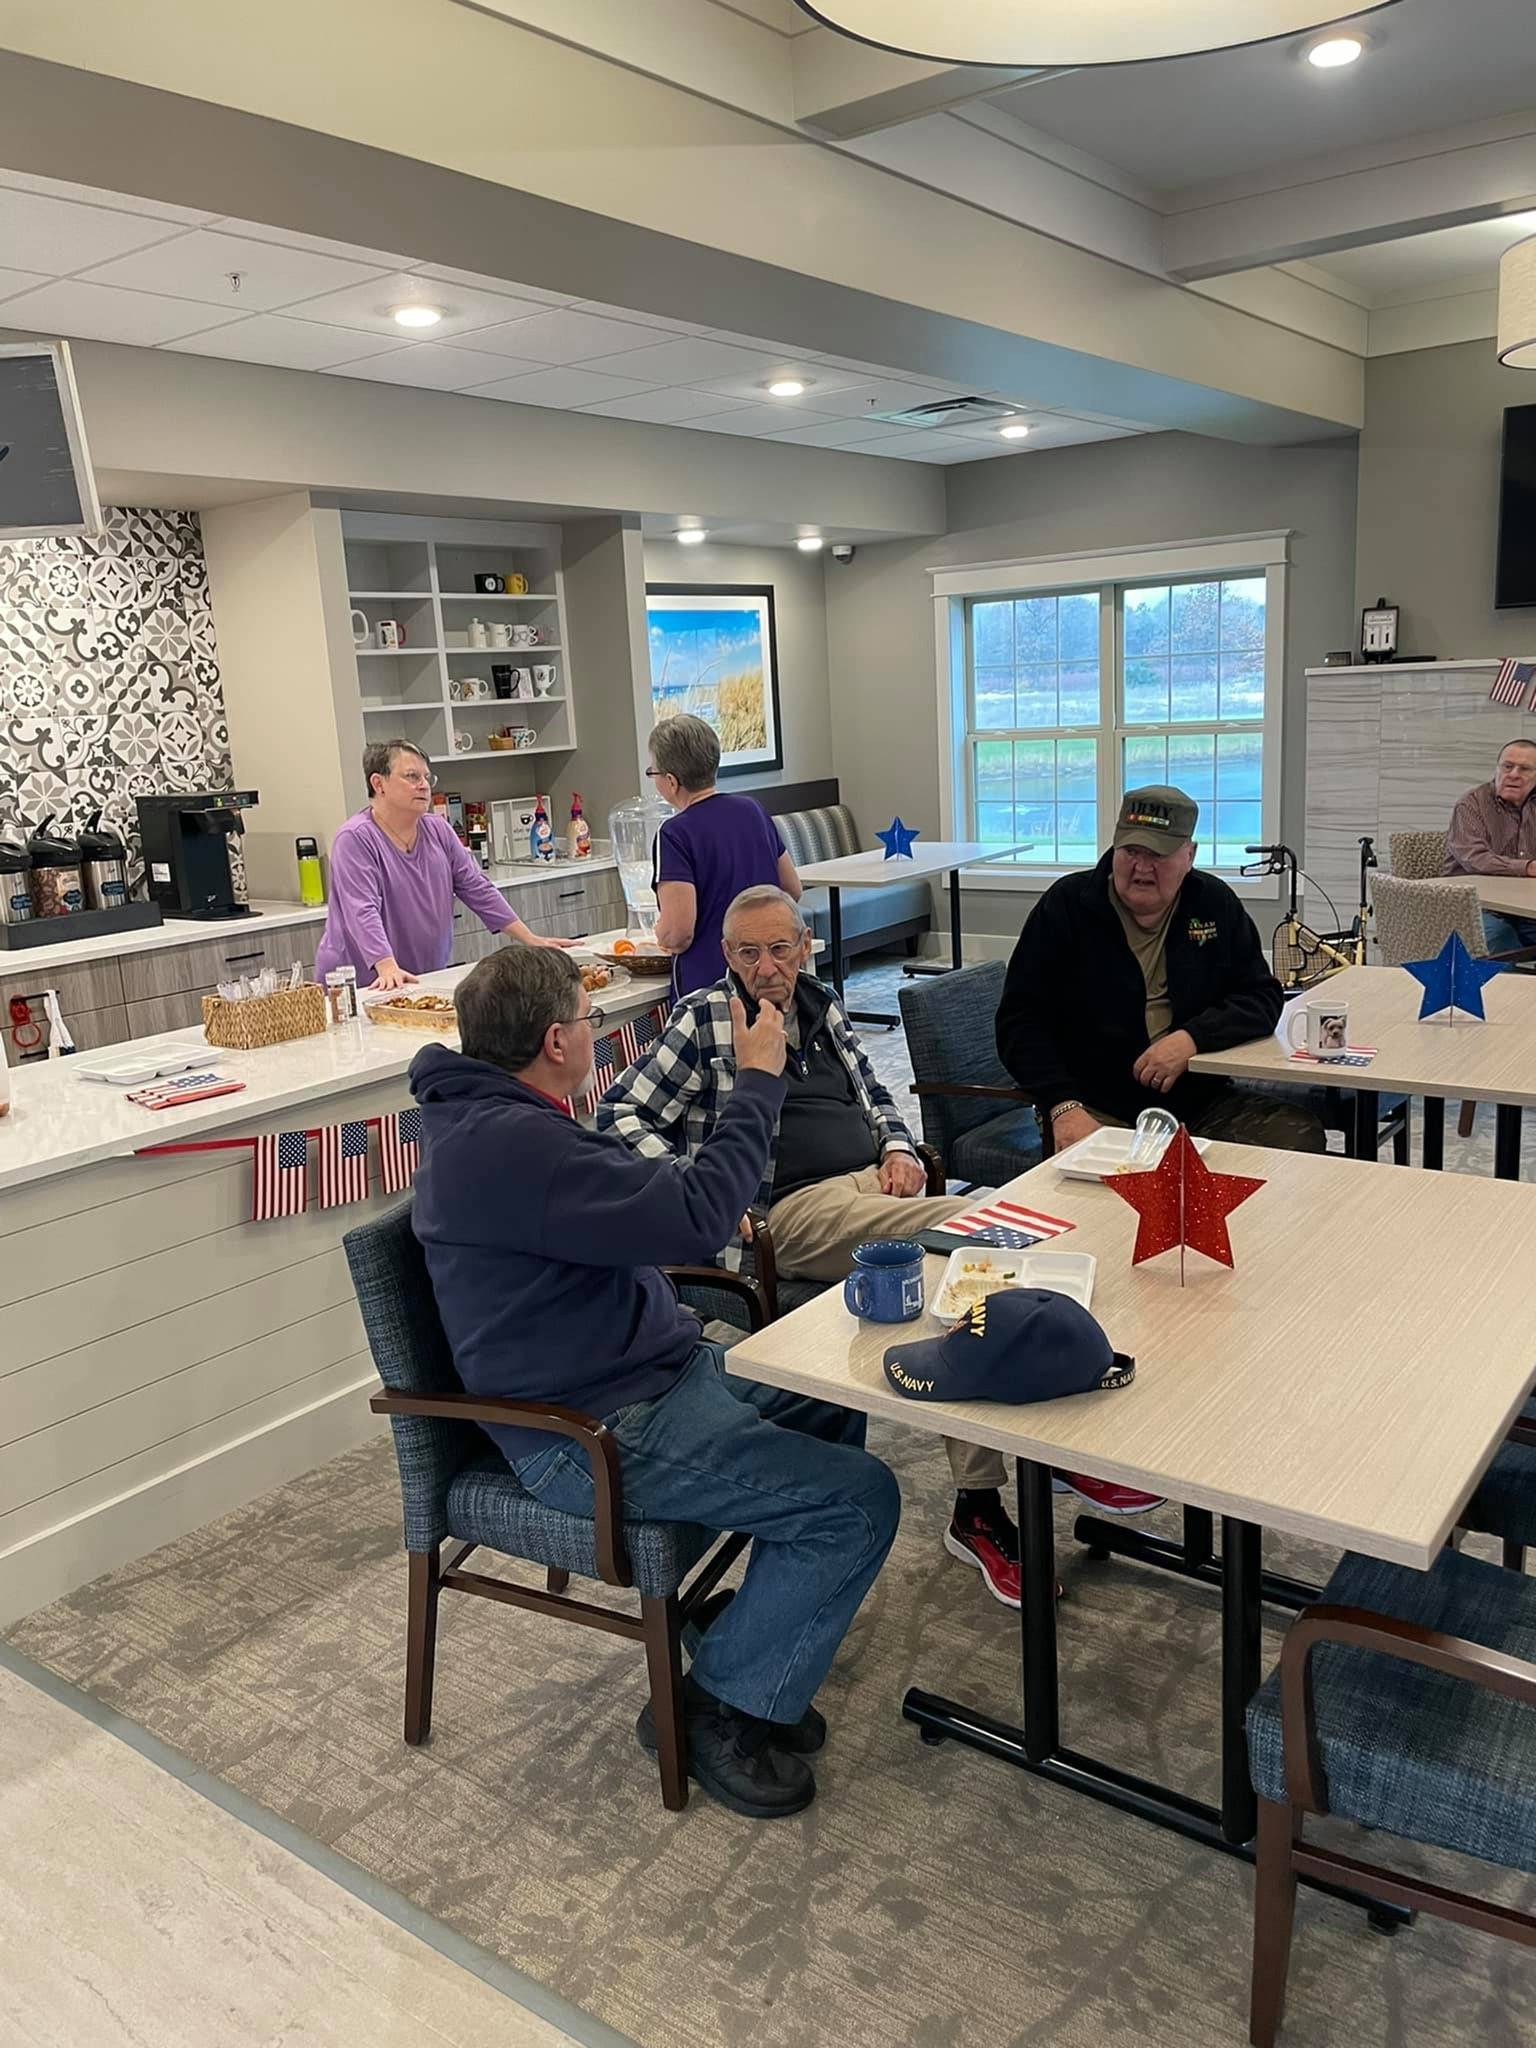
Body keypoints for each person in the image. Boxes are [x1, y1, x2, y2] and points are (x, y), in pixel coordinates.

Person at [410, 944, 900, 1821]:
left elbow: (647, 1207)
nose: (594, 1031)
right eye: (589, 1019)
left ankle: (750, 1639)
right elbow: (699, 1218)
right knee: (859, 1502)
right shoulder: (516, 1145)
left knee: (832, 1403)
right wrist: (758, 1080)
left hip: (648, 1375)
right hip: (592, 1433)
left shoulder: (500, 1120)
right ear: (556, 1040)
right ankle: (713, 1708)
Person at [599, 885, 1030, 1611]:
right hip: (789, 1211)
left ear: (806, 947)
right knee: (978, 1228)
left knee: (958, 1287)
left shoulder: (822, 1004)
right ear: (726, 955)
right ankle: (1004, 1483)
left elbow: (875, 1095)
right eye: (748, 952)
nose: (766, 967)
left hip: (871, 1190)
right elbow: (619, 1114)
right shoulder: (705, 1017)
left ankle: (989, 1492)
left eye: (779, 948)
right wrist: (697, 1187)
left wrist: (897, 1147)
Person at [996, 786, 1326, 1520]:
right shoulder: (1067, 908)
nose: (1141, 868)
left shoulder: (1213, 905)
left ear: (1190, 856)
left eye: (1160, 855)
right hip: (1099, 1110)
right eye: (1130, 851)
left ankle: (1231, 1332)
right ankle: (1099, 1413)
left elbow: (1262, 997)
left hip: (1199, 1100)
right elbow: (1018, 1022)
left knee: (1298, 1140)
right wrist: (1062, 1105)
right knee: (1122, 1226)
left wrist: (1190, 1039)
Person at [315, 739, 569, 989]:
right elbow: (362, 909)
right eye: (412, 776)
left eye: (427, 778)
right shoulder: (355, 838)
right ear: (378, 784)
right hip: (362, 983)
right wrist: (386, 965)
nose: (424, 785)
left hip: (422, 975)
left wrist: (530, 939)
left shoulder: (438, 829)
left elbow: (477, 888)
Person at [648, 713, 802, 997]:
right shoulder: (753, 810)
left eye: (653, 773)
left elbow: (679, 934)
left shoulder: (673, 834)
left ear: (671, 781)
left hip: (710, 989)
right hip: (766, 976)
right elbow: (791, 889)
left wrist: (660, 932)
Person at [1443, 738, 1536, 952]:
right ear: (1497, 768)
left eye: (1524, 769)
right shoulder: (1471, 803)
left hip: (1524, 907)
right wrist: (1528, 867)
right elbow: (1477, 860)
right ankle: (1507, 976)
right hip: (1473, 905)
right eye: (1507, 766)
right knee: (1499, 938)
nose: (1513, 774)